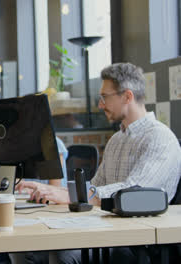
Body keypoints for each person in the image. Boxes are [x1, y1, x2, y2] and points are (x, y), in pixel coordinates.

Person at [17, 62, 181, 263]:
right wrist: (52, 191)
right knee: (33, 246)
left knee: (62, 253)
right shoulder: (117, 140)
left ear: (127, 96)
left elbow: (134, 194)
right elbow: (95, 188)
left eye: (105, 97)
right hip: (107, 227)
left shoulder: (160, 138)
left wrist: (68, 195)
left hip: (135, 241)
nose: (100, 104)